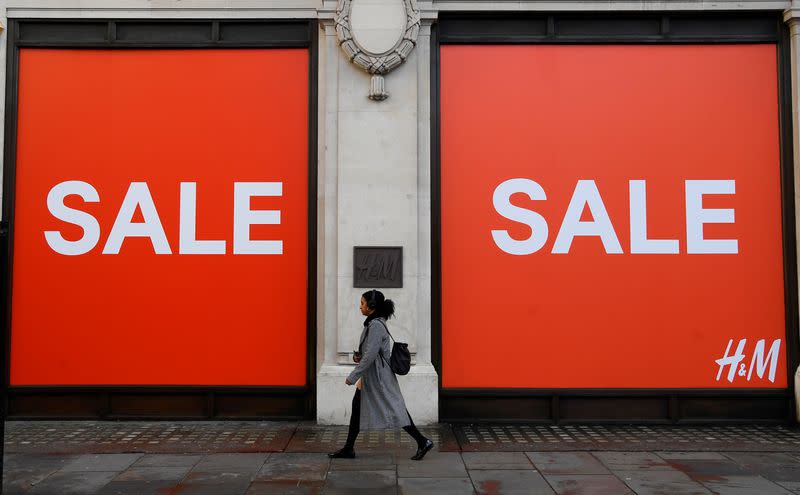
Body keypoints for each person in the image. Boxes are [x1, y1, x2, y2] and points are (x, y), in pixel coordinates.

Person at [328, 289, 434, 461]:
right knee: (357, 409)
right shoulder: (374, 323)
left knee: (396, 410)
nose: (360, 306)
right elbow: (371, 352)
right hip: (372, 377)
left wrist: (353, 375)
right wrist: (359, 356)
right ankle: (348, 448)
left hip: (379, 378)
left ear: (372, 306)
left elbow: (371, 356)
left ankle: (423, 441)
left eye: (362, 303)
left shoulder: (376, 325)